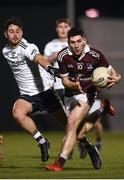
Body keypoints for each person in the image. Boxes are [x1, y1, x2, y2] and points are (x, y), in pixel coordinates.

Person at [45, 27, 121, 171]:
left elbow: (115, 75)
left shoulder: (95, 55)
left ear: (84, 40)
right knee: (78, 133)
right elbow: (65, 81)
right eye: (72, 42)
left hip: (87, 94)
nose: (76, 45)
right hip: (70, 94)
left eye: (79, 41)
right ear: (68, 43)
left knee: (72, 124)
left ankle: (59, 163)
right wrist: (74, 84)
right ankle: (92, 144)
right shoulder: (63, 56)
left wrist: (117, 79)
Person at [2, 17, 62, 163]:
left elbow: (38, 57)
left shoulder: (27, 47)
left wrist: (50, 68)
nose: (15, 34)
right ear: (6, 34)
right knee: (18, 113)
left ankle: (88, 146)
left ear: (22, 32)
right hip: (29, 96)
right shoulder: (5, 50)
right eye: (11, 31)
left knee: (70, 126)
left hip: (46, 93)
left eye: (18, 31)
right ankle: (42, 142)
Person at [44, 18, 71, 102]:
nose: (63, 29)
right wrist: (53, 56)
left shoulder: (75, 43)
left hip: (73, 84)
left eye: (66, 26)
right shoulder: (50, 45)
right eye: (60, 26)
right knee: (60, 114)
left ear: (70, 28)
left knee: (76, 113)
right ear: (56, 29)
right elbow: (42, 63)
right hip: (57, 85)